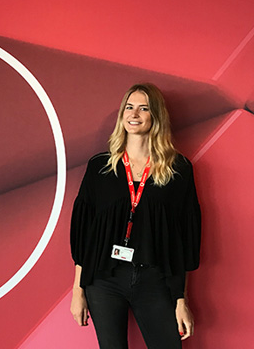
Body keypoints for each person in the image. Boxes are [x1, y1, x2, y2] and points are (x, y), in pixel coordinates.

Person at [70, 83, 201, 349]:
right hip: (104, 280)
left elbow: (182, 239)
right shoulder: (100, 167)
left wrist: (180, 299)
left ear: (156, 116)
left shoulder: (178, 170)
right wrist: (78, 290)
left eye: (144, 108)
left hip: (154, 280)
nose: (134, 114)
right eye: (129, 107)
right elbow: (85, 234)